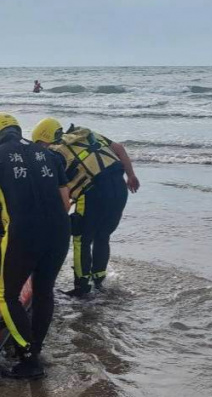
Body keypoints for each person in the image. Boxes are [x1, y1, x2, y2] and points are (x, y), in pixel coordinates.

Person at [0, 112, 71, 380]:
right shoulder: (51, 156)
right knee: (44, 291)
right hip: (59, 232)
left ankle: (29, 358)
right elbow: (65, 201)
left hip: (22, 235)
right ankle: (36, 347)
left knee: (6, 296)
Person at [31, 117, 140, 297]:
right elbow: (119, 148)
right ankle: (99, 280)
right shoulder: (86, 133)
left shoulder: (55, 152)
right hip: (120, 189)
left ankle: (81, 287)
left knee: (81, 239)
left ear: (45, 138)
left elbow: (59, 187)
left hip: (93, 194)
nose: (40, 148)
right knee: (103, 236)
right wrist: (131, 176)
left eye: (40, 144)